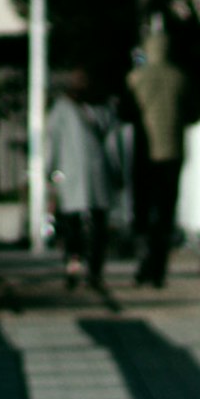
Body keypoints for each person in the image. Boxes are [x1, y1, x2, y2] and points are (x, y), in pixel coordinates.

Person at [44, 76, 122, 291]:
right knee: (98, 224)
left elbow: (53, 139)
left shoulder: (61, 109)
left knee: (72, 222)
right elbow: (114, 143)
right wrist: (116, 171)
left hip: (71, 172)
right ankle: (95, 271)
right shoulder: (105, 108)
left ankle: (73, 264)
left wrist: (48, 169)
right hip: (99, 171)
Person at [127, 15, 187, 292]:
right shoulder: (179, 78)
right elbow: (194, 112)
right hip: (172, 152)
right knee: (164, 213)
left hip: (143, 152)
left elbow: (124, 112)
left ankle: (143, 264)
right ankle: (159, 269)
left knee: (142, 209)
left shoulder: (136, 79)